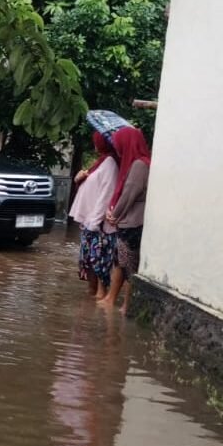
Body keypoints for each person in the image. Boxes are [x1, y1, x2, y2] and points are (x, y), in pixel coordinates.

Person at [99, 126, 151, 313]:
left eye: (120, 144)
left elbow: (130, 193)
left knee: (129, 267)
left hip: (132, 223)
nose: (118, 148)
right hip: (128, 221)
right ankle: (112, 302)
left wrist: (115, 214)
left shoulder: (139, 165)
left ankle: (126, 306)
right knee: (121, 263)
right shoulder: (138, 163)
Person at [69, 132, 119, 300]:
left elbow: (106, 194)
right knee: (89, 262)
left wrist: (94, 222)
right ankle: (92, 298)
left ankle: (99, 296)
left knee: (98, 262)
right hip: (90, 221)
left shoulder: (110, 164)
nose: (94, 144)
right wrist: (79, 179)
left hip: (97, 223)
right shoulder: (101, 162)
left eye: (97, 141)